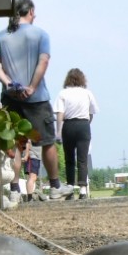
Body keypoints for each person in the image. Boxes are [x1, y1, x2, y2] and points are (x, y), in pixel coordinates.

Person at [0, 0, 74, 200]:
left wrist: (9, 83)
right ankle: (55, 187)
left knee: (15, 143)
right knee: (47, 142)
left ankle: (14, 191)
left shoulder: (0, 36)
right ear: (30, 12)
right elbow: (43, 63)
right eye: (34, 12)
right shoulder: (41, 35)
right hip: (37, 98)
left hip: (10, 98)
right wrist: (32, 87)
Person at [54, 68, 99, 200]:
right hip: (83, 125)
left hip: (68, 125)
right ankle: (83, 190)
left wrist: (58, 132)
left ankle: (69, 189)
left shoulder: (63, 93)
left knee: (69, 159)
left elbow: (60, 114)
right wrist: (86, 124)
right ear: (82, 79)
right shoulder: (87, 93)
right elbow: (91, 113)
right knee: (82, 159)